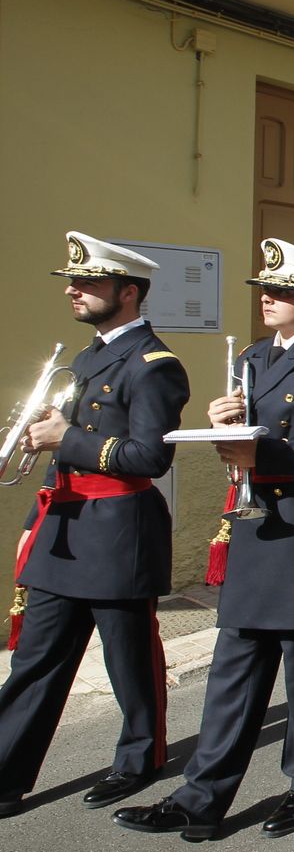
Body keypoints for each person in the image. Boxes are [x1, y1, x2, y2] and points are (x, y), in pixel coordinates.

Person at [115, 240, 294, 841]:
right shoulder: (256, 355)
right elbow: (247, 440)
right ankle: (201, 797)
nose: (269, 301)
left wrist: (267, 451)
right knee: (233, 666)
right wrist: (222, 420)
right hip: (257, 528)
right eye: (265, 292)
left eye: (282, 293)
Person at [0, 233, 189, 818]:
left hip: (116, 528)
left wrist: (68, 438)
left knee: (128, 658)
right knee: (35, 658)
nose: (74, 290)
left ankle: (141, 758)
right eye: (72, 282)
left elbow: (151, 458)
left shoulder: (155, 365)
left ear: (128, 292)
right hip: (65, 523)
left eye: (88, 282)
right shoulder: (85, 357)